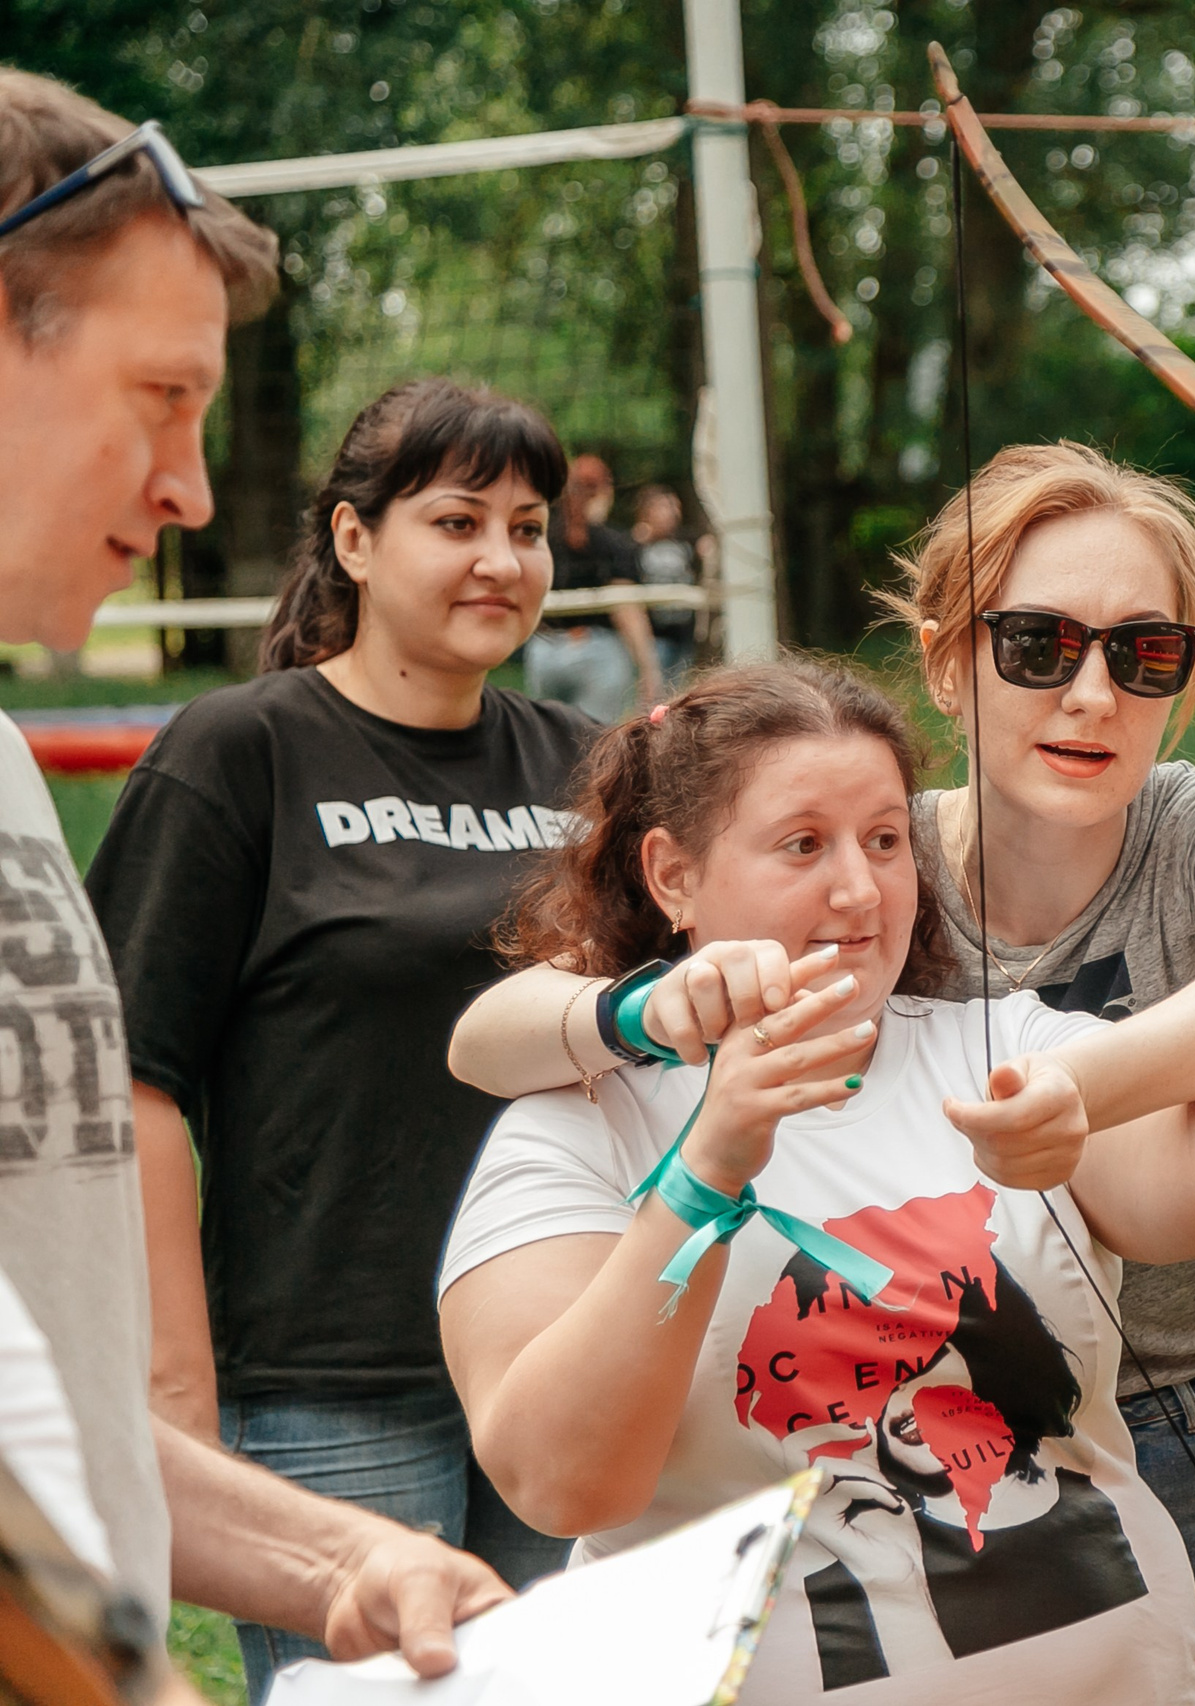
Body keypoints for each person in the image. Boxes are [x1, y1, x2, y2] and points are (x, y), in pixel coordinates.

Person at [435, 657, 1195, 1704]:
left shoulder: (995, 1040)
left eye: (882, 841)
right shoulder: (575, 1119)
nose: (860, 892)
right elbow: (561, 1476)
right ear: (673, 874)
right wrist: (710, 1163)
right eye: (802, 845)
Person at [448, 444, 1195, 1702]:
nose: (1090, 692)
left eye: (1146, 654)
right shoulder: (864, 854)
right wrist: (647, 1009)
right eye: (1036, 644)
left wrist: (1068, 1090)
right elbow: (503, 1024)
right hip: (953, 1431)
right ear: (945, 656)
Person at [0, 66, 506, 1695]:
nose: (193, 490)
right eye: (161, 395)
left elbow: (38, 1401)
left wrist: (340, 1555)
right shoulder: (239, 753)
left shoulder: (5, 768)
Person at [81, 378, 598, 1699]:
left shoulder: (588, 770)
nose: (502, 559)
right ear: (355, 540)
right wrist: (175, 1399)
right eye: (459, 519)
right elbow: (129, 1084)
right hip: (328, 1381)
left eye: (529, 527)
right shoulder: (238, 752)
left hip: (553, 1355)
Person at [525, 452, 659, 720]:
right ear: (605, 490)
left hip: (544, 653)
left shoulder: (542, 540)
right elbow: (626, 609)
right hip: (599, 652)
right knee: (595, 745)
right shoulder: (614, 544)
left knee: (546, 741)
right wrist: (649, 670)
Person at [630, 482, 700, 688]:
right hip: (653, 637)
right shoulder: (633, 546)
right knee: (649, 692)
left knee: (677, 692)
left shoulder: (686, 542)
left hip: (683, 634)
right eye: (663, 507)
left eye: (673, 507)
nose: (671, 514)